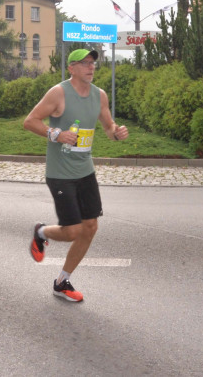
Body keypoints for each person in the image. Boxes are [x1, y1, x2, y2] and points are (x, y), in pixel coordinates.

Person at [23, 49, 129, 302]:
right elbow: (30, 121)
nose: (91, 67)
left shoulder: (99, 95)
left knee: (90, 227)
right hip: (60, 173)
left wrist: (116, 133)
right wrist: (56, 134)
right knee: (72, 231)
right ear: (71, 68)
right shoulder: (58, 93)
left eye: (92, 63)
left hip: (85, 171)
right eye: (84, 63)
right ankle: (41, 232)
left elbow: (107, 126)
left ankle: (62, 281)